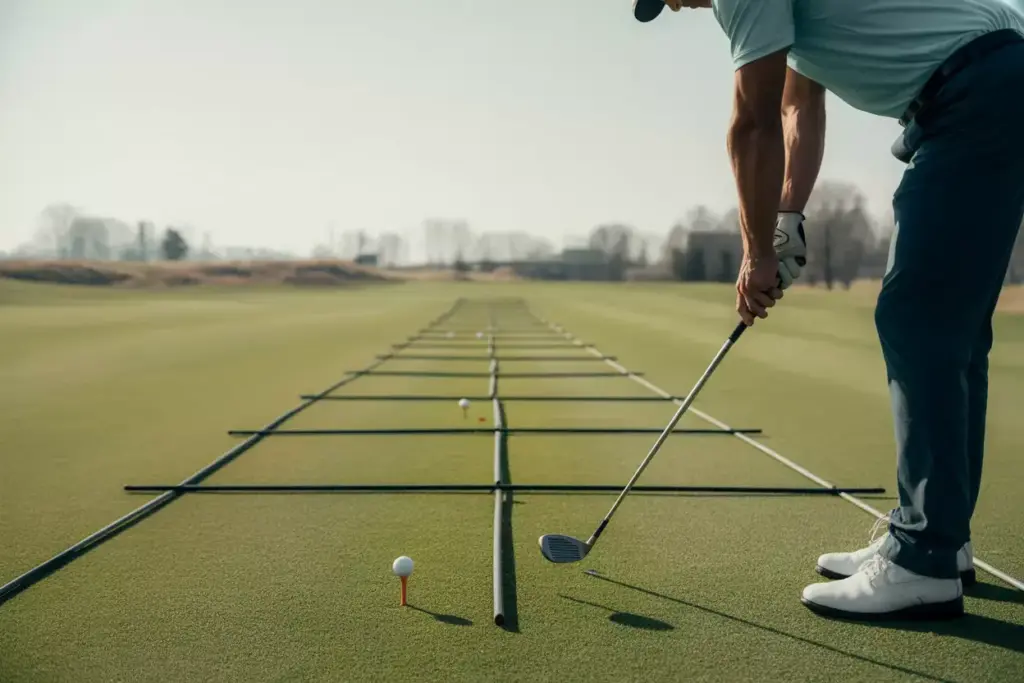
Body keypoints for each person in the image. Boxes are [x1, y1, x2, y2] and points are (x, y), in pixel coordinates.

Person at [631, 0, 1024, 620]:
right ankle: (939, 539)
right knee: (950, 328)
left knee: (917, 319)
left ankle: (923, 558)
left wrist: (758, 254)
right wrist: (786, 220)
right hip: (993, 82)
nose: (676, 4)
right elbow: (798, 104)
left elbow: (753, 123)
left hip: (973, 96)